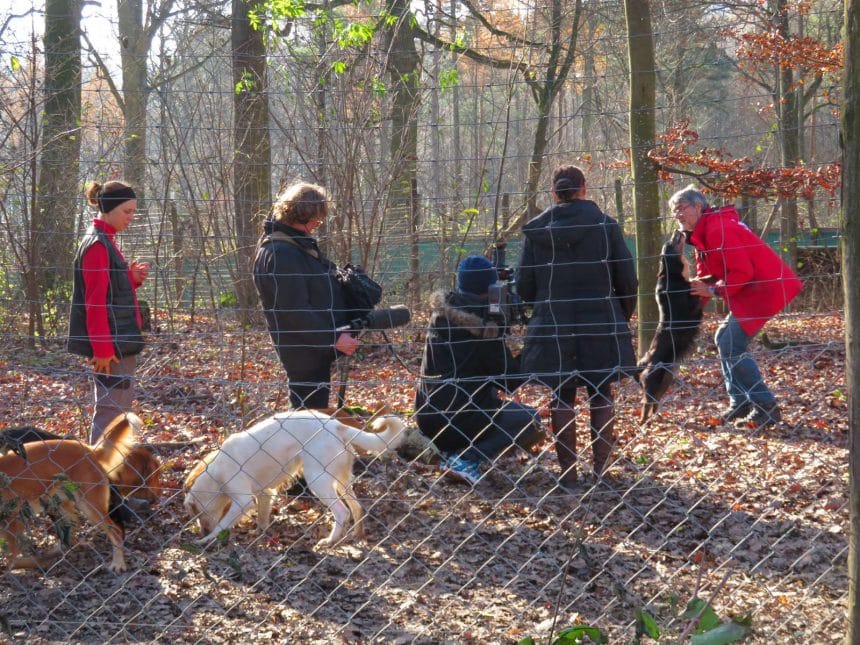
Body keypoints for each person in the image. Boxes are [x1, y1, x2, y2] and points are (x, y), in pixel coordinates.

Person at [517, 165, 637, 487]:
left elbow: (524, 287)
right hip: (600, 320)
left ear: (554, 193)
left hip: (555, 322)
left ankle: (568, 474)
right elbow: (627, 278)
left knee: (562, 394)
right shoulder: (605, 226)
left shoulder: (537, 233)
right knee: (601, 393)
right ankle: (600, 472)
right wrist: (619, 316)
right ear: (584, 188)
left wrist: (543, 301)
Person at [669, 184, 802, 429]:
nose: (677, 215)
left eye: (681, 208)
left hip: (765, 288)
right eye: (673, 211)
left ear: (698, 206)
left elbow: (743, 271)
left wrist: (711, 290)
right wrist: (695, 301)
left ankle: (764, 406)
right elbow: (706, 274)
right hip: (752, 289)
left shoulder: (719, 228)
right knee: (724, 338)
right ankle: (740, 403)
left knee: (731, 342)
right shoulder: (703, 233)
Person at [415, 255, 543, 485]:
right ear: (490, 289)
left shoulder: (442, 314)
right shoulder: (484, 328)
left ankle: (449, 453)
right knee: (531, 420)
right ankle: (466, 459)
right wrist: (532, 349)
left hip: (427, 415)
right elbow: (509, 381)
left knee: (490, 405)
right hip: (460, 418)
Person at [253, 182, 360, 410]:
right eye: (316, 219)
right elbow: (295, 310)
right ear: (302, 215)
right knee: (308, 416)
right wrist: (334, 337)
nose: (316, 226)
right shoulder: (282, 252)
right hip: (302, 349)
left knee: (311, 415)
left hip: (311, 345)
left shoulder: (290, 245)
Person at [68, 180, 150, 443]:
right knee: (110, 412)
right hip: (112, 347)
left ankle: (111, 473)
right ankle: (100, 476)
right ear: (110, 209)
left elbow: (109, 288)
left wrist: (130, 278)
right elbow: (94, 302)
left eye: (134, 211)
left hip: (119, 340)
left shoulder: (106, 240)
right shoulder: (98, 245)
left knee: (119, 410)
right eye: (127, 211)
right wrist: (102, 349)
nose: (132, 217)